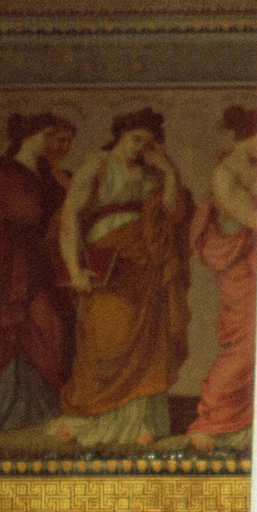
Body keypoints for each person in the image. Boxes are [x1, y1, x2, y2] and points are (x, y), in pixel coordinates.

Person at [56, 111, 192, 447]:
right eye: (135, 139)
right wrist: (75, 269)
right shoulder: (98, 165)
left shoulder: (153, 175)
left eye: (148, 143)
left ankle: (142, 421)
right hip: (109, 261)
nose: (141, 148)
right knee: (103, 338)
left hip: (145, 265)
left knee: (146, 340)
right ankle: (87, 420)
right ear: (120, 134)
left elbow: (172, 215)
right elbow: (71, 217)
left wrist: (170, 172)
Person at [0, 112, 78, 431]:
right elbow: (31, 214)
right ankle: (8, 407)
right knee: (19, 328)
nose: (54, 143)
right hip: (10, 261)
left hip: (36, 261)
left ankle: (44, 404)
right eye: (49, 135)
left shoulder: (46, 175)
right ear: (30, 135)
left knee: (52, 328)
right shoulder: (6, 174)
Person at [187, 106, 257, 446]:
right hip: (238, 268)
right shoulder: (227, 172)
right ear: (249, 136)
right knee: (245, 343)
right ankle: (211, 418)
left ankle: (244, 425)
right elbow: (250, 218)